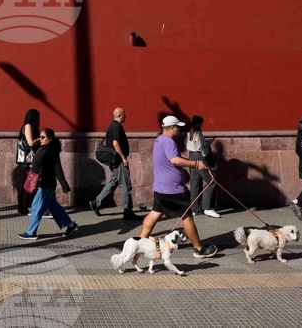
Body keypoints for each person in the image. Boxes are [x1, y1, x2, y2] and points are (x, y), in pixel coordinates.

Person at [138, 116, 218, 258]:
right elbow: (174, 160)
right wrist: (196, 164)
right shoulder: (169, 142)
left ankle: (139, 242)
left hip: (161, 187)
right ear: (172, 127)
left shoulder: (159, 139)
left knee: (155, 213)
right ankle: (199, 249)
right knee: (187, 217)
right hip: (173, 189)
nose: (179, 129)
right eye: (178, 127)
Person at [18, 128, 78, 240]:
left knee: (36, 206)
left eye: (42, 137)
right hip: (44, 183)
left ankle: (31, 232)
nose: (40, 139)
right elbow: (41, 163)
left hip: (46, 183)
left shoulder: (51, 151)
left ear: (49, 139)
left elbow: (58, 169)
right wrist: (33, 166)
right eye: (40, 137)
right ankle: (70, 224)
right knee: (53, 206)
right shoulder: (43, 148)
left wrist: (64, 184)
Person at [89, 108, 138, 220]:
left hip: (113, 161)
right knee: (125, 186)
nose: (125, 117)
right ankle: (128, 211)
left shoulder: (111, 125)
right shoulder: (117, 127)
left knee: (112, 184)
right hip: (119, 161)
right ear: (120, 115)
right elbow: (115, 143)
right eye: (124, 115)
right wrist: (123, 157)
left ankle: (96, 202)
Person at [186, 115, 220, 219]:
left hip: (191, 157)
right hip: (200, 158)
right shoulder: (198, 133)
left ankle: (195, 209)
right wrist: (208, 144)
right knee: (211, 181)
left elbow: (189, 146)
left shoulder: (188, 134)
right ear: (199, 123)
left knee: (195, 183)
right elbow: (203, 150)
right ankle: (208, 208)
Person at [16, 109, 40, 215]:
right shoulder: (28, 126)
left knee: (29, 183)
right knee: (28, 183)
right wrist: (41, 138)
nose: (38, 120)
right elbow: (30, 143)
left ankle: (25, 206)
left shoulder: (30, 127)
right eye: (37, 118)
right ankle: (22, 207)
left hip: (30, 159)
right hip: (28, 160)